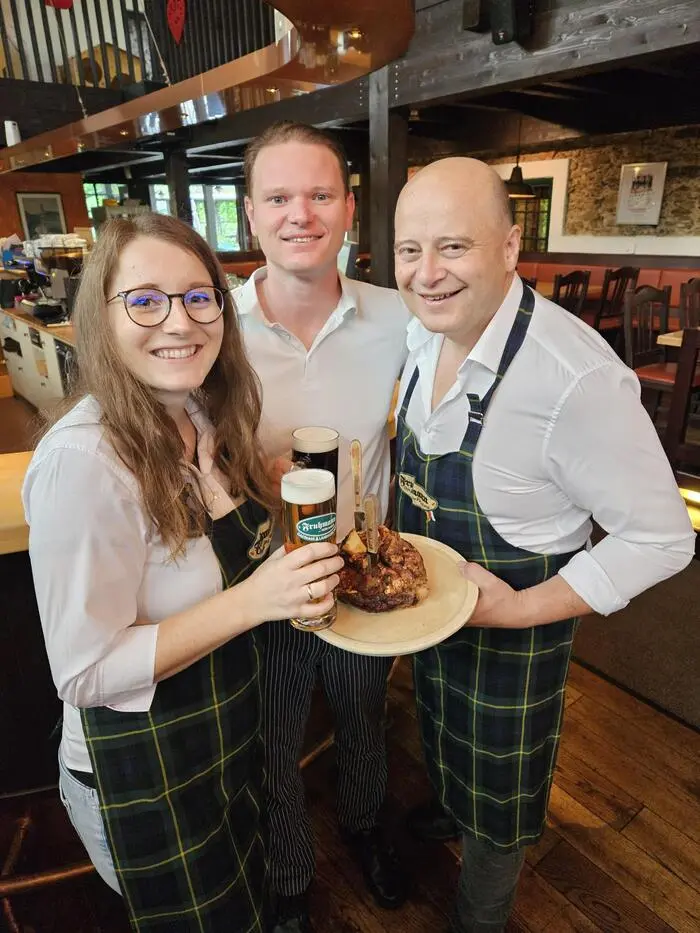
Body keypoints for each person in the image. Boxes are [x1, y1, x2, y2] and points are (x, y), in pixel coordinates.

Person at [392, 158, 695, 933]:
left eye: (452, 247)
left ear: (508, 245)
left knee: (503, 786)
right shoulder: (420, 338)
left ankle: (480, 912)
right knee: (436, 725)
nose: (426, 274)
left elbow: (663, 537)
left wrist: (522, 607)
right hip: (434, 617)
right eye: (408, 250)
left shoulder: (573, 378)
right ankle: (449, 809)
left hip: (516, 635)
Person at [22, 213, 344, 933]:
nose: (180, 321)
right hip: (146, 768)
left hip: (226, 737)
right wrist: (257, 601)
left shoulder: (198, 409)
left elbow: (218, 556)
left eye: (200, 297)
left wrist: (258, 482)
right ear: (102, 317)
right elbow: (83, 672)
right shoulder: (85, 462)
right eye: (145, 299)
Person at [235, 121, 410, 933]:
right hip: (258, 581)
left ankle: (368, 828)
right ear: (249, 215)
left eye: (318, 194)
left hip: (359, 571)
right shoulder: (211, 327)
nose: (298, 213)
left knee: (363, 716)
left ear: (348, 208)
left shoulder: (399, 316)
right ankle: (292, 872)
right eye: (278, 196)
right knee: (270, 738)